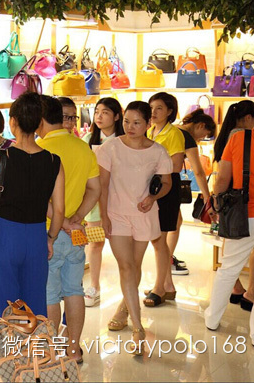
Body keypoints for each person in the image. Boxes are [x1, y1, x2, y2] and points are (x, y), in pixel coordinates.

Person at [0, 92, 64, 319]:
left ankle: (8, 343)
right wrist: (50, 239)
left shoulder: (1, 158)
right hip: (37, 236)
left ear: (12, 122)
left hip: (5, 236)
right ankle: (35, 343)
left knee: (4, 307)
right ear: (39, 123)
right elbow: (59, 210)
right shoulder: (54, 161)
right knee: (35, 307)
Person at [96, 102, 173, 355]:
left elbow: (167, 183)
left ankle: (124, 307)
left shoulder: (158, 151)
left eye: (137, 122)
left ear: (148, 124)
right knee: (126, 267)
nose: (130, 127)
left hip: (144, 214)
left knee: (135, 266)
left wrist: (153, 198)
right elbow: (102, 185)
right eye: (127, 121)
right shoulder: (110, 147)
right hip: (116, 214)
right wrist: (104, 216)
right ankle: (138, 328)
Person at [37, 96, 101, 364]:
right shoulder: (83, 148)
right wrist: (76, 219)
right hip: (76, 232)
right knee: (74, 290)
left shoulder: (39, 149)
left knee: (50, 294)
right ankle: (74, 350)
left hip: (49, 234)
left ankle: (52, 352)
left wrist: (62, 222)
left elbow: (40, 199)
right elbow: (95, 189)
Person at [205, 91, 254, 349]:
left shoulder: (240, 138)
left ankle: (212, 319)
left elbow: (222, 179)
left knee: (229, 268)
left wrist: (216, 203)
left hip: (245, 214)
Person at [212, 100, 254, 310]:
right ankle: (251, 291)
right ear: (248, 118)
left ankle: (237, 288)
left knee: (229, 240)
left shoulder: (226, 134)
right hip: (242, 196)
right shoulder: (242, 135)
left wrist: (216, 197)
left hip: (228, 198)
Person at [81, 97, 125, 307]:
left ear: (116, 116)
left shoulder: (124, 140)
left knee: (122, 246)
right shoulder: (87, 139)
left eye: (105, 112)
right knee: (95, 243)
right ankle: (94, 286)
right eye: (97, 111)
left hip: (120, 200)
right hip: (95, 202)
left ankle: (127, 290)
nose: (99, 116)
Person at [145, 92, 185, 307]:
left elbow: (176, 166)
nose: (153, 112)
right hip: (153, 186)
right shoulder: (149, 131)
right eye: (151, 107)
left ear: (170, 111)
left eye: (159, 108)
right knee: (156, 239)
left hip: (167, 188)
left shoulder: (174, 133)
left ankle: (160, 287)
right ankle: (167, 285)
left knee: (159, 239)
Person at [166, 110, 217, 276]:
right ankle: (167, 262)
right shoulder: (186, 137)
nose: (201, 139)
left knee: (172, 223)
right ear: (200, 125)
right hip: (168, 181)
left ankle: (167, 259)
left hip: (159, 181)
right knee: (174, 223)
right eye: (204, 135)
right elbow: (199, 172)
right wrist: (208, 198)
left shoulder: (173, 129)